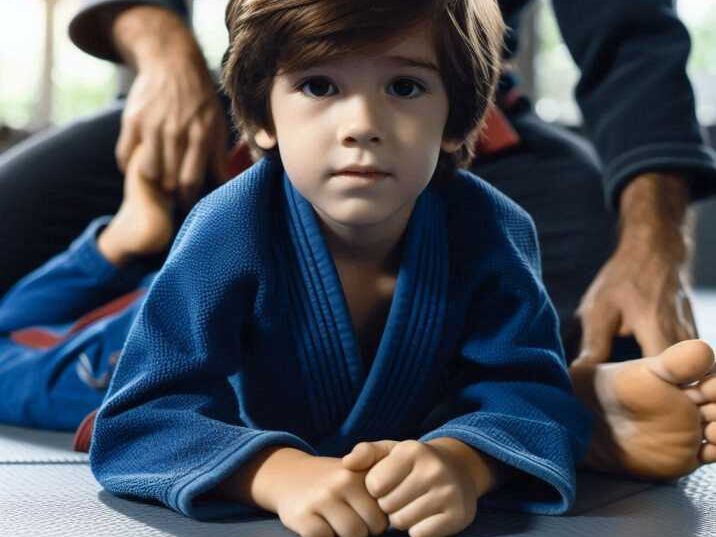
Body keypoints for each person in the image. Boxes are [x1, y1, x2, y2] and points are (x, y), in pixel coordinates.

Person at [76, 2, 716, 537]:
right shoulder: (227, 228)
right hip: (96, 362)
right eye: (319, 86)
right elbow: (137, 419)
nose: (363, 125)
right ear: (262, 118)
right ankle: (107, 251)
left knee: (540, 369)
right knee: (30, 358)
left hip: (394, 403)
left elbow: (523, 383)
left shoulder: (493, 227)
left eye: (405, 88)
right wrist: (274, 474)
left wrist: (464, 462)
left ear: (457, 119)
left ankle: (578, 413)